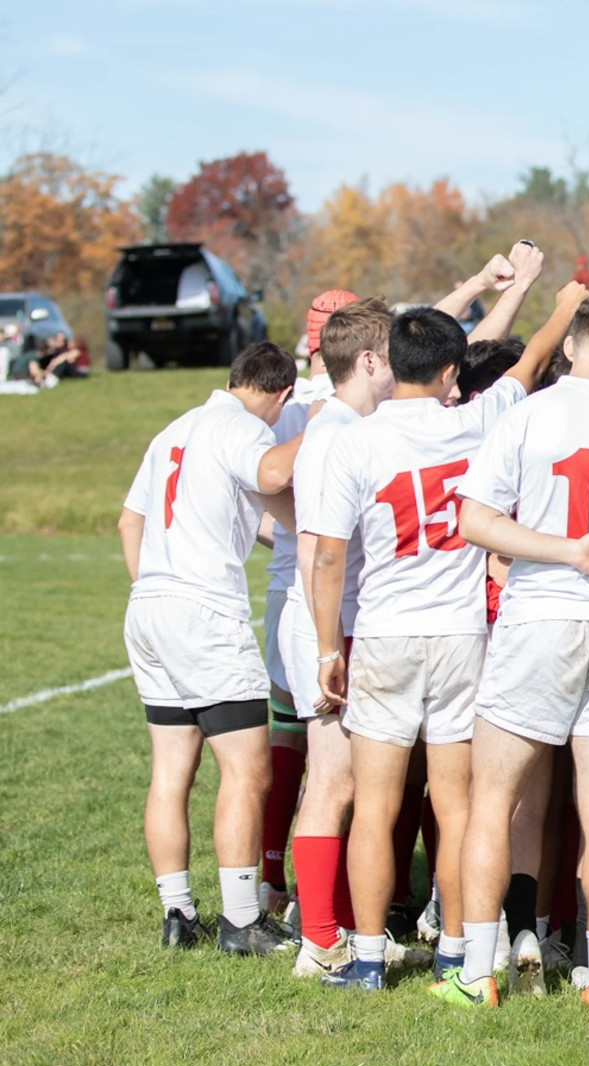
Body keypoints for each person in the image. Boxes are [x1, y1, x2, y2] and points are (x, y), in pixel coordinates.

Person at [304, 260, 576, 994]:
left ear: (388, 361)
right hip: (461, 634)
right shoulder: (474, 422)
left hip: (386, 631)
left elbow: (328, 556)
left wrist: (328, 644)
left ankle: (366, 957)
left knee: (376, 805)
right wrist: (562, 303)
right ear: (453, 368)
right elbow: (528, 362)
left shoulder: (353, 440)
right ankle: (457, 949)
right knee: (458, 806)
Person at [433, 292, 589, 1012]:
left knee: (495, 802)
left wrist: (565, 553)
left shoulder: (530, 413)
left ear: (570, 345)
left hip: (542, 618)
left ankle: (477, 971)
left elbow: (475, 520)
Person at [116, 341, 304, 955]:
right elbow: (274, 473)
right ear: (279, 395)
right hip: (203, 614)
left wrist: (154, 588)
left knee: (170, 772)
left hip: (149, 605)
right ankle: (243, 921)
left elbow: (129, 521)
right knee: (248, 771)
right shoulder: (238, 425)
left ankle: (177, 914)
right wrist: (325, 426)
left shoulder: (175, 429)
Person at [276, 297, 403, 980]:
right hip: (326, 626)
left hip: (338, 623)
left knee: (346, 780)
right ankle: (319, 939)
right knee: (333, 780)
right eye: (392, 360)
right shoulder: (334, 433)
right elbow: (314, 551)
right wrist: (331, 646)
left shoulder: (348, 425)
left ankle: (341, 930)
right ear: (368, 360)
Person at [257, 289, 355, 927]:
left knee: (290, 739)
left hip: (285, 588)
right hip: (329, 594)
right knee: (337, 765)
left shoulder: (288, 409)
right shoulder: (339, 412)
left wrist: (291, 533)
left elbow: (262, 493)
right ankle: (327, 919)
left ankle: (272, 881)